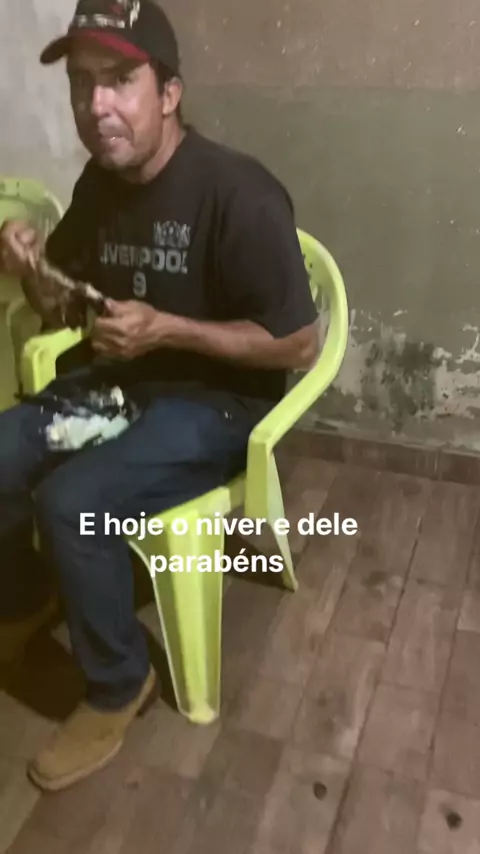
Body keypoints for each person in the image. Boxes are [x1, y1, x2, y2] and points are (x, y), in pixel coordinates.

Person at [0, 0, 319, 791]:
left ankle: (119, 683)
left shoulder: (238, 193)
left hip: (215, 404)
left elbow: (298, 343)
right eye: (82, 84)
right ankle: (27, 601)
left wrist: (168, 331)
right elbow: (62, 309)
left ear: (169, 93)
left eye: (119, 80)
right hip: (118, 386)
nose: (96, 105)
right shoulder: (99, 185)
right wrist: (31, 269)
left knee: (72, 503)